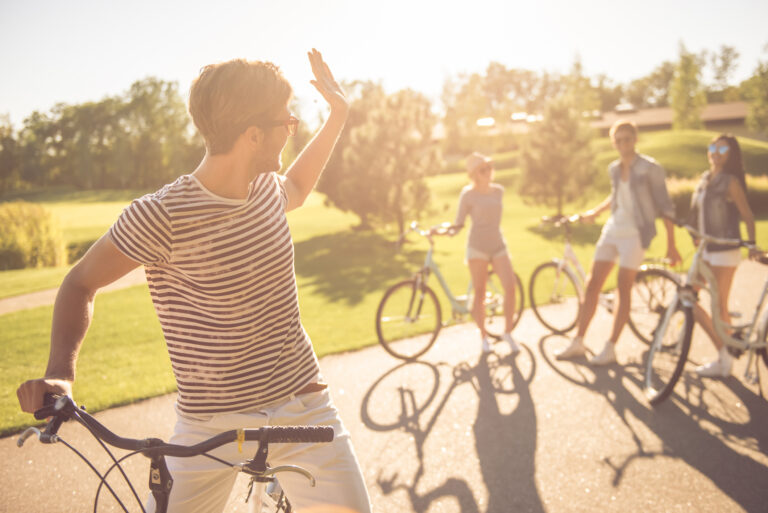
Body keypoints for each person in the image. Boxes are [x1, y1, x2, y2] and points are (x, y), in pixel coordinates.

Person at [16, 50, 371, 513]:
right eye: (288, 118)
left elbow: (299, 188)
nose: (293, 126)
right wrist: (61, 373)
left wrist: (338, 114)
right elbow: (79, 283)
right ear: (253, 135)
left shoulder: (264, 188)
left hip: (302, 412)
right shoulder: (161, 216)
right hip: (208, 427)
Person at [556, 120, 681, 365]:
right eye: (618, 140)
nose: (623, 144)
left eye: (627, 139)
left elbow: (666, 206)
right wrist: (595, 212)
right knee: (592, 285)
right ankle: (579, 341)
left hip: (636, 233)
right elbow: (616, 195)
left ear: (635, 139)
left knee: (623, 287)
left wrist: (672, 243)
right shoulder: (614, 168)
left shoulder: (650, 168)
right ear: (614, 143)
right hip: (613, 229)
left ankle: (611, 347)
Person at [687, 134, 757, 378]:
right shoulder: (706, 179)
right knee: (689, 299)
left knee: (719, 306)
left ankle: (725, 358)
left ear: (730, 153)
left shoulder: (730, 182)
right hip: (706, 248)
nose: (716, 151)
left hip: (725, 250)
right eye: (713, 146)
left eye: (722, 147)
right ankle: (725, 349)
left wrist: (752, 245)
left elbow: (747, 215)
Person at [450, 152, 521, 354]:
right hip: (477, 247)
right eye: (483, 169)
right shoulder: (468, 195)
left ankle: (508, 332)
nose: (488, 172)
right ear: (474, 174)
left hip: (498, 244)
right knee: (479, 292)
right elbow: (459, 222)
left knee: (510, 286)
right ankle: (483, 337)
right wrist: (446, 230)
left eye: (489, 167)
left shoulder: (499, 191)